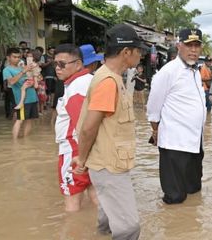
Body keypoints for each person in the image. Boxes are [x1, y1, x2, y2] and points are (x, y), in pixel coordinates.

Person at [71, 24, 144, 239]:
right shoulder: (108, 82)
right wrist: (81, 160)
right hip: (109, 166)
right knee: (129, 227)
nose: (140, 56)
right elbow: (88, 128)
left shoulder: (111, 77)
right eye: (138, 51)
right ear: (126, 52)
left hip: (110, 162)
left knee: (108, 222)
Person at [147, 28, 206, 204]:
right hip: (174, 143)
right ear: (179, 46)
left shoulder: (195, 70)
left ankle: (191, 228)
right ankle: (172, 229)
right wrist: (156, 131)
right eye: (189, 45)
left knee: (194, 189)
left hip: (195, 141)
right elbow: (153, 107)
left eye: (197, 45)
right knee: (176, 197)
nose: (193, 50)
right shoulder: (168, 72)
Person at [54, 43, 98, 212]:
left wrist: (81, 156)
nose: (57, 68)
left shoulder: (76, 87)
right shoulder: (88, 81)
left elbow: (83, 124)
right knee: (95, 194)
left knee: (71, 202)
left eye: (62, 64)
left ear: (78, 64)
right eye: (55, 64)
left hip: (73, 150)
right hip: (88, 150)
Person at [2, 47, 39, 139]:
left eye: (19, 57)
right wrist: (23, 72)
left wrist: (35, 71)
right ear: (8, 57)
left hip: (32, 96)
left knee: (30, 120)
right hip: (21, 100)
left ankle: (25, 142)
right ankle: (15, 143)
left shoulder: (23, 67)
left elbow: (37, 78)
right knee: (20, 120)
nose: (17, 59)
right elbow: (11, 82)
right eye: (14, 57)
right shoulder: (7, 70)